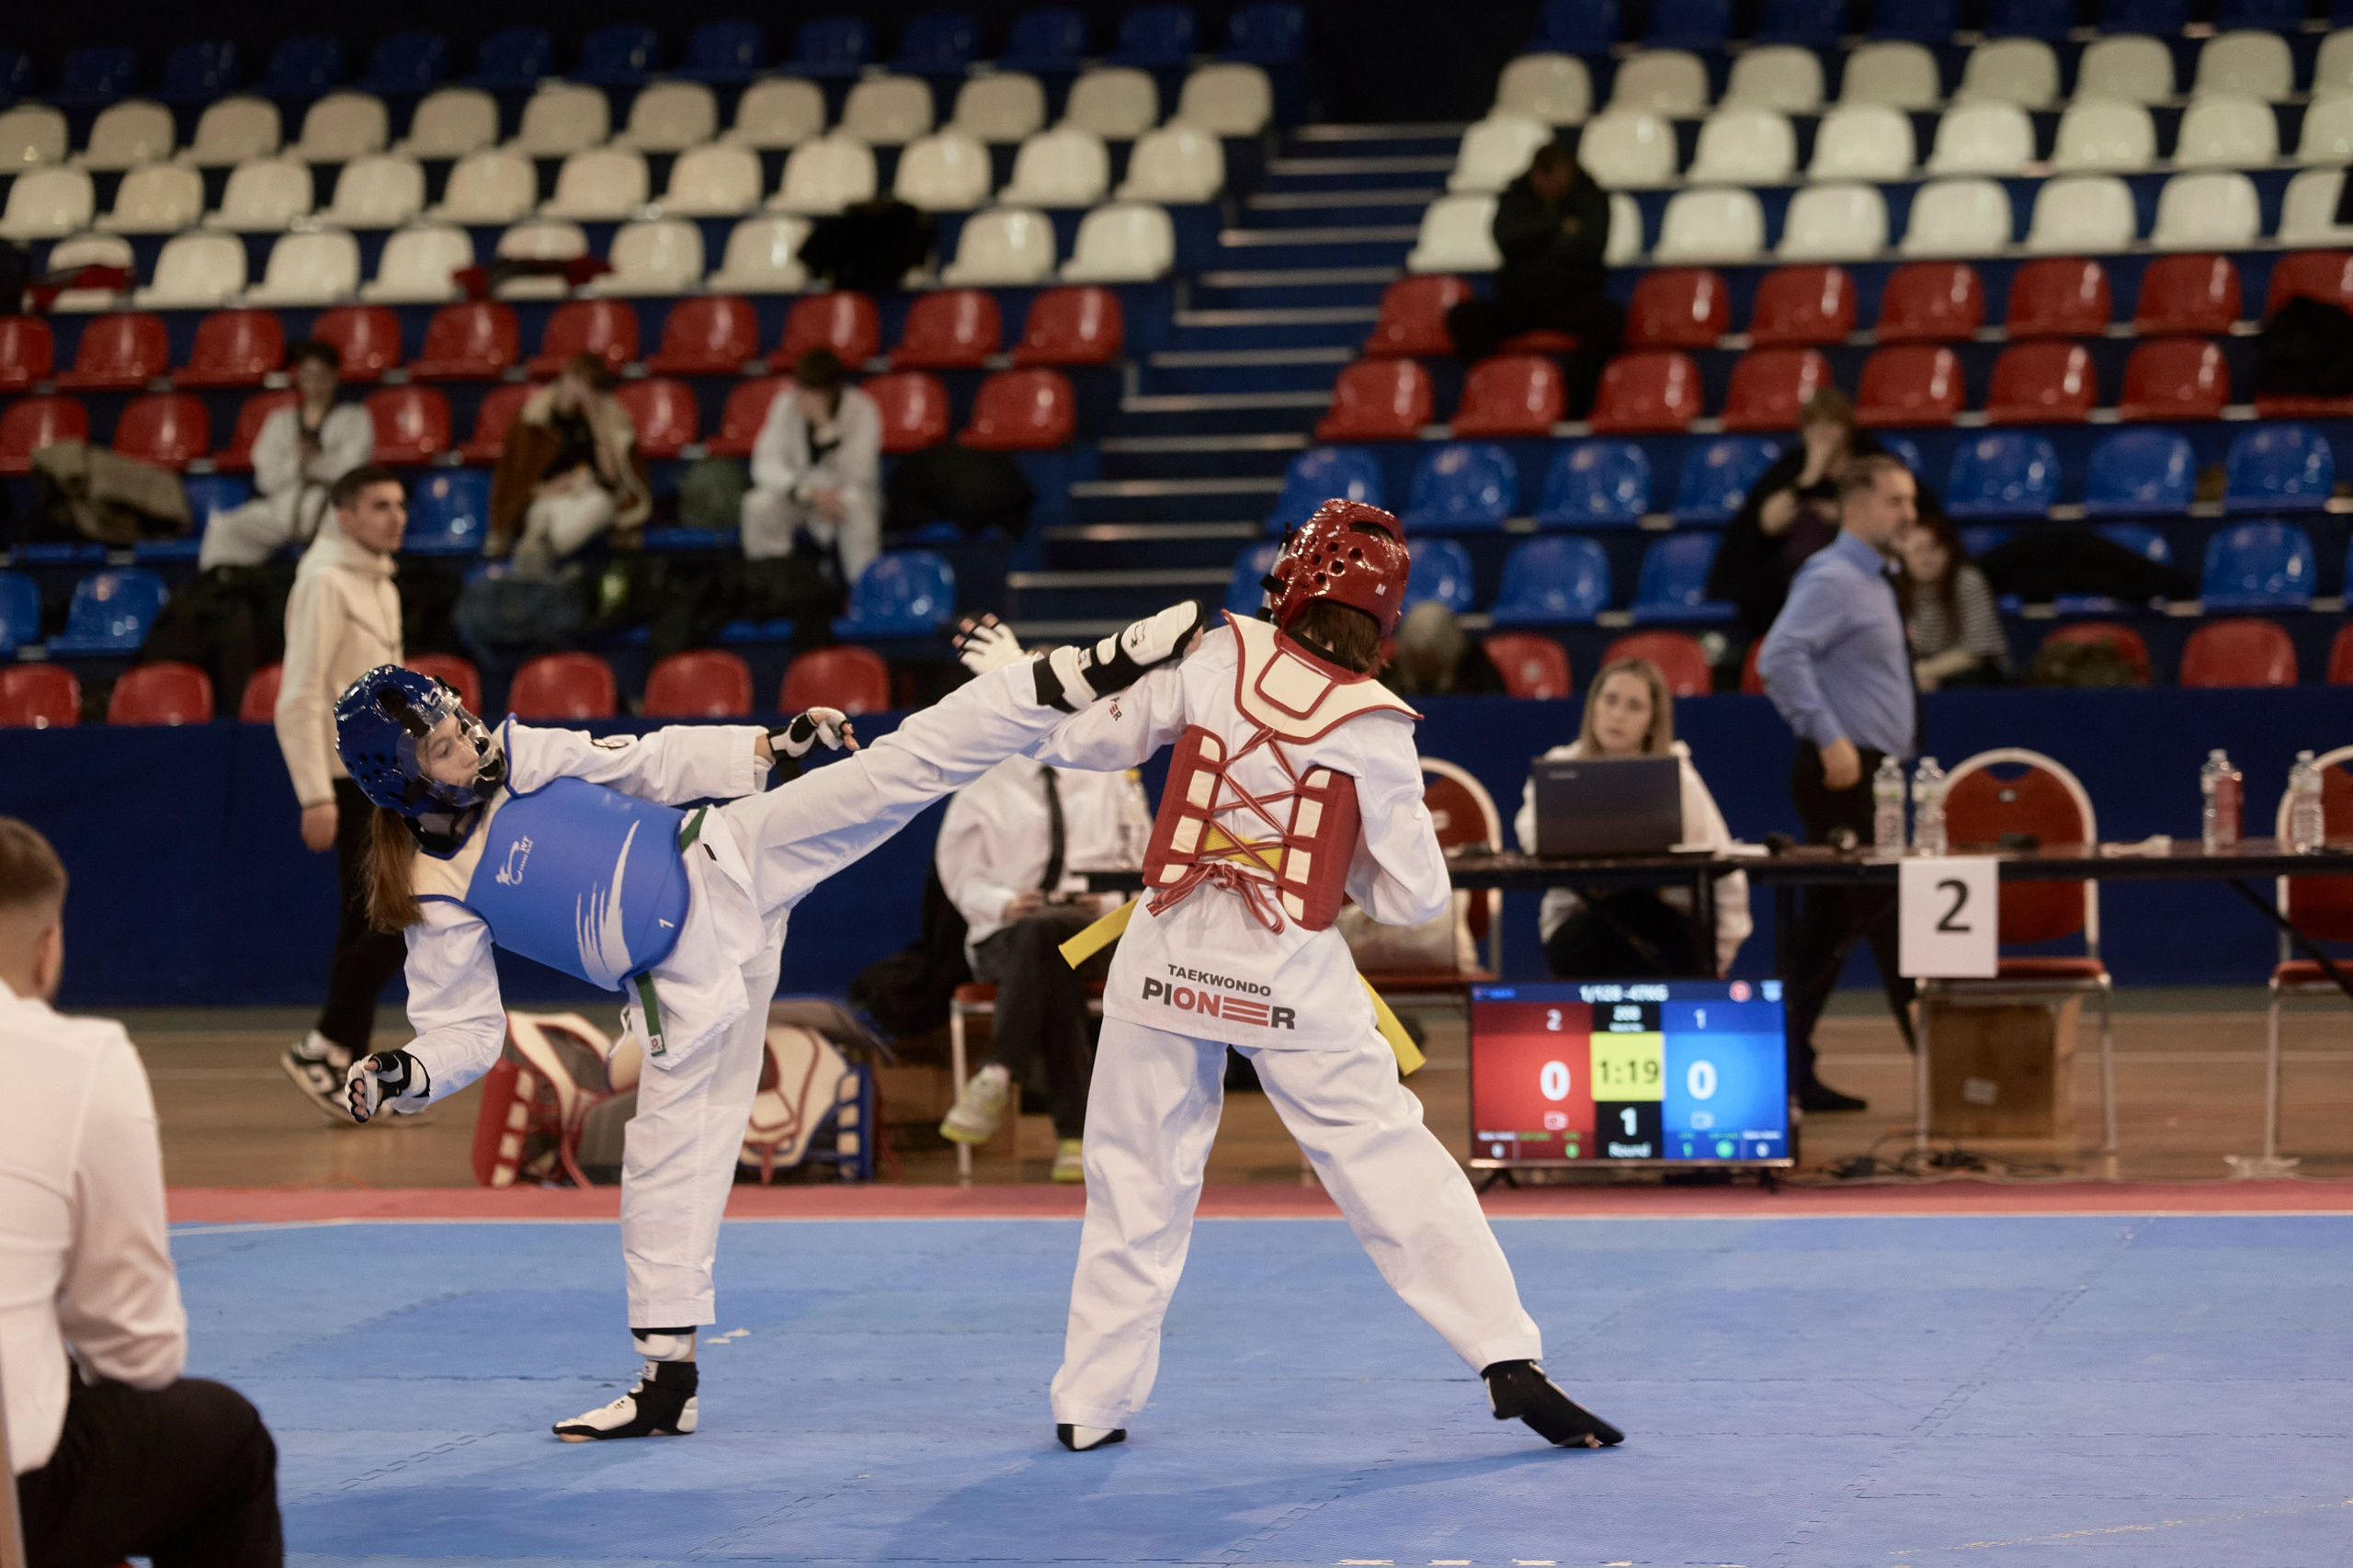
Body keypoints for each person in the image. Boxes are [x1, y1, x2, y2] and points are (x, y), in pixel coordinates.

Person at [331, 600, 1211, 1441]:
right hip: (683, 985)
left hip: (724, 859)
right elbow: (466, 1031)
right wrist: (407, 1074)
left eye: (461, 723)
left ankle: (1076, 674)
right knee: (667, 1164)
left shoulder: (523, 751)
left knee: (893, 773)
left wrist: (768, 747)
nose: (470, 745)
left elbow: (648, 763)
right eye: (445, 748)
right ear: (402, 782)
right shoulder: (432, 889)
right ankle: (666, 1384)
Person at [1004, 500, 1622, 1455]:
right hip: (1289, 970)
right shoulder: (1374, 725)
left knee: (1134, 1182)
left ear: (1289, 583)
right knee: (1389, 1159)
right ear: (1382, 617)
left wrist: (1014, 682)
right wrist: (1348, 857)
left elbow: (1085, 742)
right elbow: (1418, 897)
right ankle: (1507, 1357)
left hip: (1164, 951)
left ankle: (1091, 1401)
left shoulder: (1218, 655)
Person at [0, 817, 283, 1564]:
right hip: (15, 1503)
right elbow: (139, 1353)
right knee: (224, 1444)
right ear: (47, 950)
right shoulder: (81, 1059)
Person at [1756, 455, 1922, 1113]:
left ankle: (1786, 1069)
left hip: (1872, 777)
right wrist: (1829, 735)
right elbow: (1778, 657)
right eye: (1898, 501)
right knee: (1889, 923)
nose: (1909, 515)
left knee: (1826, 934)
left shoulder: (1878, 579)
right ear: (1858, 507)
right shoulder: (1832, 575)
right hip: (1845, 776)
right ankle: (1950, 1077)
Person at [934, 757, 1152, 1181]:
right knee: (1042, 939)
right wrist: (1005, 903)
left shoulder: (1111, 776)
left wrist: (1108, 902)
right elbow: (961, 879)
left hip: (1097, 930)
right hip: (1007, 935)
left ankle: (998, 1071)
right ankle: (1074, 1136)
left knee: (1047, 943)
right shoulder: (982, 783)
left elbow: (1147, 867)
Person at [274, 466, 415, 1119]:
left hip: (387, 778)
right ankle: (324, 1043)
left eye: (400, 505)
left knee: (365, 921)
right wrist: (315, 794)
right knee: (398, 914)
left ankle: (346, 1067)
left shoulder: (380, 583)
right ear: (345, 517)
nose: (396, 516)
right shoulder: (324, 583)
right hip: (348, 781)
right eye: (380, 505)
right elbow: (300, 696)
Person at [1511, 658, 1751, 979]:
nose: (1618, 715)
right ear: (1593, 705)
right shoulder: (1559, 765)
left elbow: (1724, 870)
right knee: (1594, 933)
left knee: (1645, 916)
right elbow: (1531, 836)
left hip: (1663, 934)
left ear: (1653, 720)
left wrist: (1719, 956)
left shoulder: (1678, 774)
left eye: (1635, 706)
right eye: (1610, 700)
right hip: (1580, 930)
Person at [1443, 143, 1625, 414]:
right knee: (1463, 317)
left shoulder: (1592, 198)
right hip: (1518, 303)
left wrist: (1534, 242)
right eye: (1544, 174)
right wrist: (1556, 226)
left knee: (1610, 318)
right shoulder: (1515, 197)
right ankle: (1502, 385)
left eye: (1558, 174)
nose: (1551, 182)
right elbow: (1506, 240)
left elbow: (1589, 249)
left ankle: (1572, 401)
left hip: (1571, 301)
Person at [1706, 388, 1890, 642]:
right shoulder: (1791, 467)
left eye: (1831, 425)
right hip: (1795, 581)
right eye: (1814, 426)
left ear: (1848, 430)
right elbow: (1768, 524)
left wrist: (1839, 516)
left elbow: (1892, 520)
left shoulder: (1871, 465)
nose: (1823, 434)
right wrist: (1809, 476)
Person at [198, 339, 375, 573]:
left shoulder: (356, 417)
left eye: (321, 376)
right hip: (284, 504)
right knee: (224, 528)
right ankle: (220, 591)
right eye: (308, 375)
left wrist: (313, 462)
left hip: (332, 507)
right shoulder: (279, 421)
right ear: (299, 377)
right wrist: (297, 464)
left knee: (354, 530)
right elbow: (265, 478)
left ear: (334, 377)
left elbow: (353, 470)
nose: (314, 384)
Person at [487, 352, 652, 573]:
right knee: (544, 513)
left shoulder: (611, 418)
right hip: (546, 497)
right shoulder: (534, 418)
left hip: (589, 495)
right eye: (574, 378)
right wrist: (545, 489)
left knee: (599, 504)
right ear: (563, 377)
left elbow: (614, 479)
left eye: (587, 384)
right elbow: (513, 478)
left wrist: (596, 420)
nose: (577, 389)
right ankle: (539, 553)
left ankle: (539, 554)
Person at [743, 348, 882, 595]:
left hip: (842, 496)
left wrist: (825, 426)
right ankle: (773, 587)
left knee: (856, 503)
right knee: (758, 504)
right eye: (803, 388)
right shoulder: (784, 405)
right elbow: (764, 465)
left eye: (815, 391)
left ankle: (864, 592)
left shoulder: (862, 408)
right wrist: (805, 491)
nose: (806, 396)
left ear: (833, 389)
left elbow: (860, 473)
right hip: (802, 495)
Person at [1899, 505, 2010, 690]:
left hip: (1970, 673)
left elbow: (1978, 652)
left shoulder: (1967, 580)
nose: (1926, 558)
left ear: (1950, 551)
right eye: (1917, 550)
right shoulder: (1894, 587)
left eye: (1934, 549)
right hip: (1916, 672)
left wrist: (1922, 672)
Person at [1383, 599, 1508, 697]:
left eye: (1430, 658)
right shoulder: (1390, 676)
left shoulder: (1478, 673)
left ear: (1446, 652)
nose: (1425, 666)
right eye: (1418, 658)